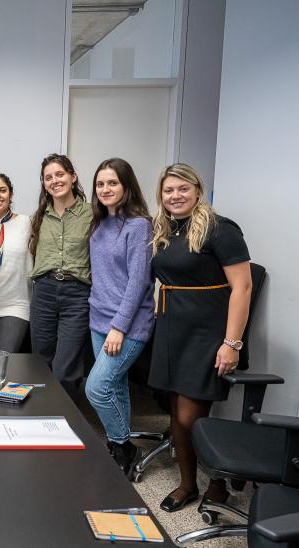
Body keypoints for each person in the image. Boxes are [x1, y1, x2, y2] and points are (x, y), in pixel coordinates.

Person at [148, 163, 252, 512]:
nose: (175, 196)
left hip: (207, 333)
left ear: (197, 190)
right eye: (168, 190)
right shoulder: (167, 229)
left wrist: (232, 342)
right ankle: (188, 484)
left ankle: (218, 485)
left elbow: (243, 286)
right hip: (172, 329)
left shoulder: (220, 229)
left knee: (192, 417)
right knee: (176, 415)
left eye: (182, 189)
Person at [84, 158, 155, 475]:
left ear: (126, 186)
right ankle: (121, 446)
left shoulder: (138, 226)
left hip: (126, 325)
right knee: (116, 386)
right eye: (100, 183)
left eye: (112, 183)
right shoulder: (98, 223)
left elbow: (139, 282)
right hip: (98, 320)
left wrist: (118, 328)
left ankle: (123, 444)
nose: (105, 189)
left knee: (96, 388)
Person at [29, 153, 93, 395]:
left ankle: (67, 424)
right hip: (44, 292)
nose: (54, 180)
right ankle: (44, 419)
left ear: (73, 177)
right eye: (48, 177)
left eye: (59, 174)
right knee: (41, 363)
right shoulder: (39, 216)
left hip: (77, 295)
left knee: (65, 369)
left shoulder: (92, 214)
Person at [0, 173, 32, 353]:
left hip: (15, 305)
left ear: (11, 194)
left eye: (3, 190)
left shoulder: (27, 223)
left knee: (3, 362)